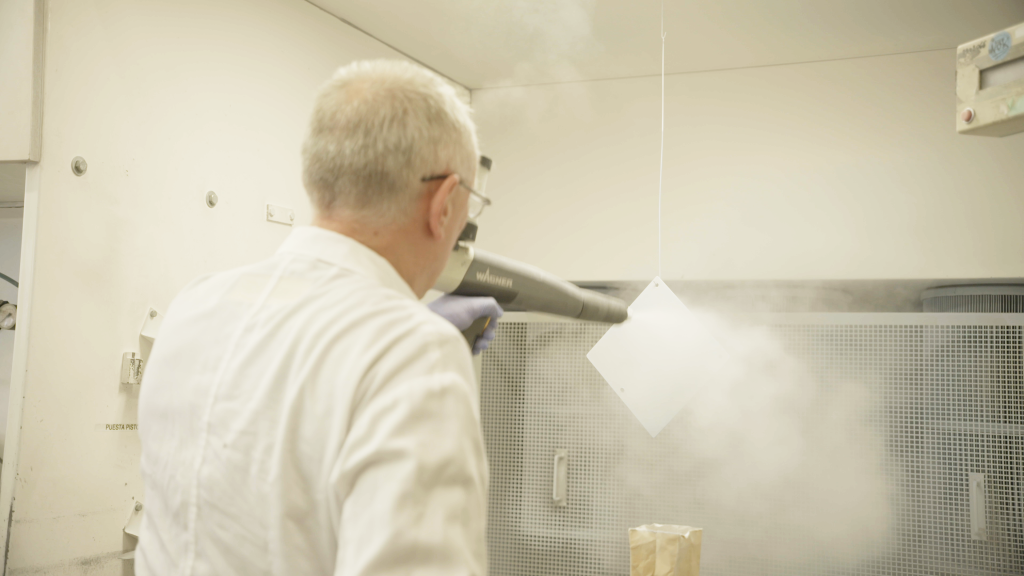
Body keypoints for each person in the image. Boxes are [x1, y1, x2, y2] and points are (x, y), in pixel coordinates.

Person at [136, 60, 502, 575]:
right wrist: (410, 348)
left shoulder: (194, 304)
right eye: (471, 204)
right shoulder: (415, 352)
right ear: (443, 204)